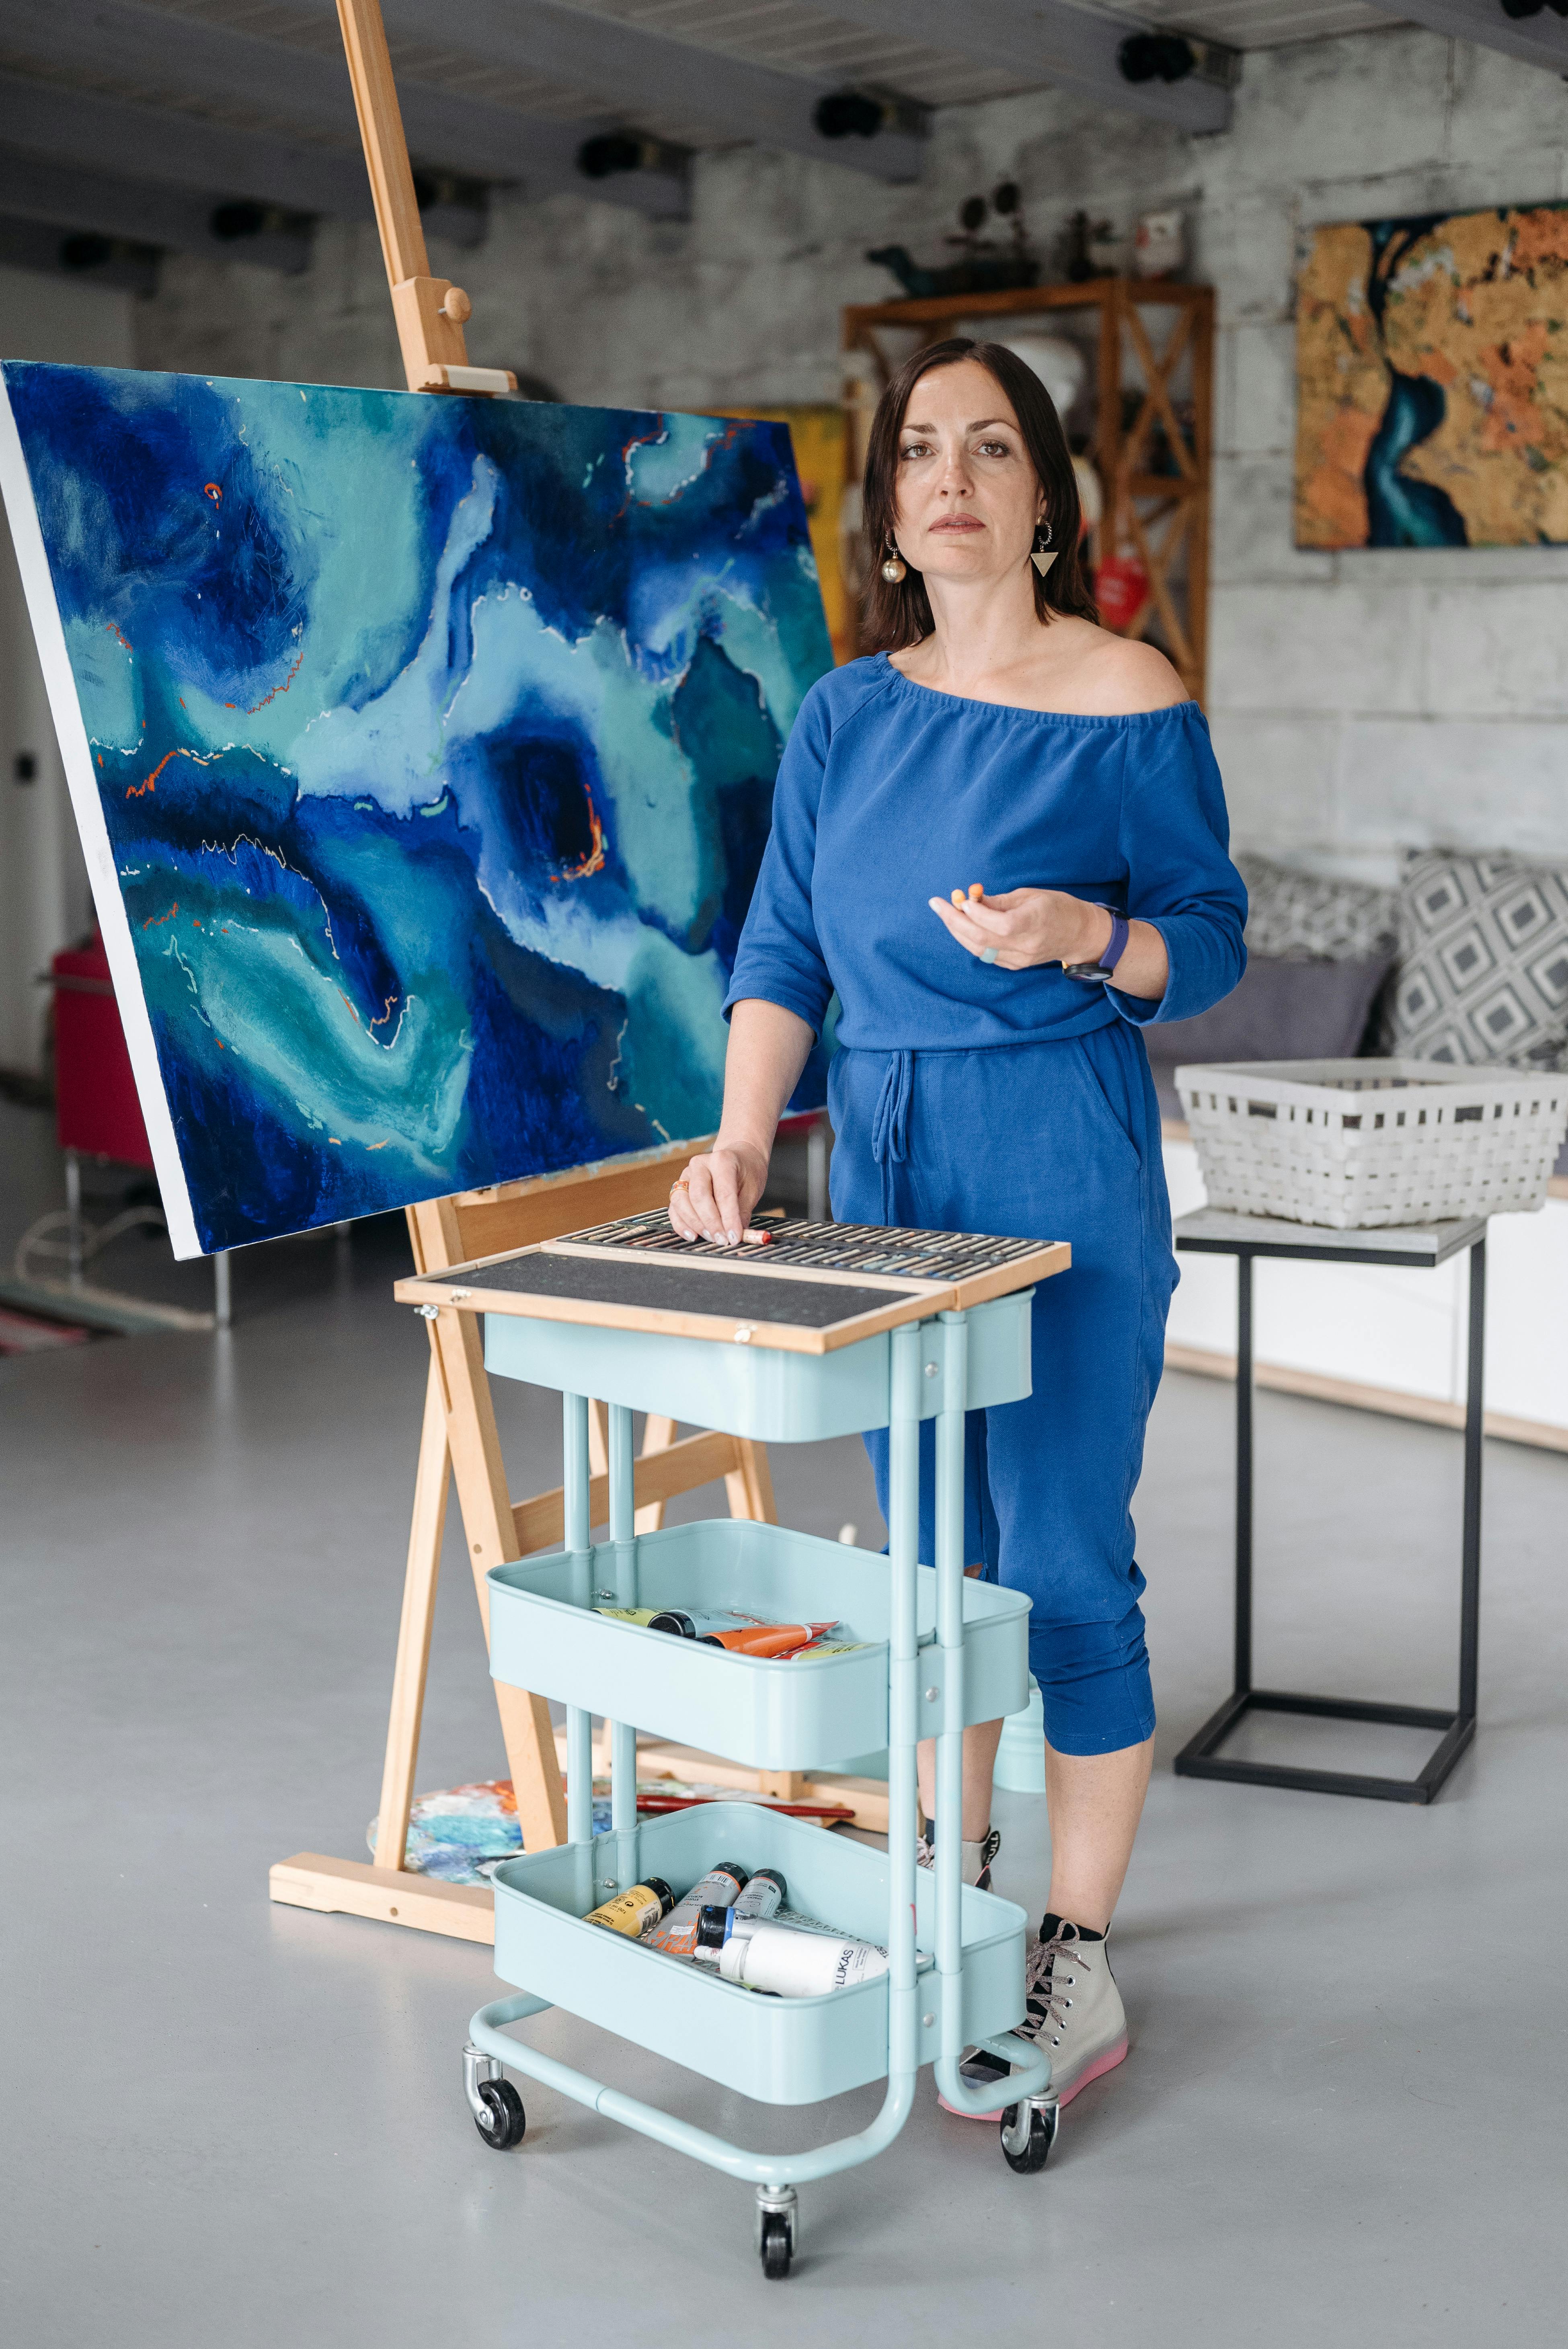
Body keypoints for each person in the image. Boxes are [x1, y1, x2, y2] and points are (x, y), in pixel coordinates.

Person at [668, 339, 1246, 2127]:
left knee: (1061, 1556)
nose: (950, 475)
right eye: (922, 448)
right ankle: (948, 1879)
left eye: (991, 447)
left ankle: (1071, 1950)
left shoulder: (1129, 689)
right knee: (931, 1566)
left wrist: (1090, 931)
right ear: (895, 502)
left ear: (1044, 499)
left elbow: (1207, 942)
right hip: (887, 1168)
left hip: (1059, 1156)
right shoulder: (846, 713)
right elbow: (781, 957)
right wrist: (747, 1138)